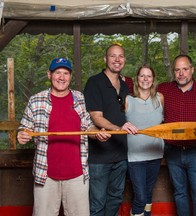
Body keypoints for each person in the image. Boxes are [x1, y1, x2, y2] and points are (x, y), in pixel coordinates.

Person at [17, 57, 111, 216]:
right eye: (57, 72)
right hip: (45, 175)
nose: (62, 77)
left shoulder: (79, 98)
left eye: (66, 73)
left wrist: (97, 133)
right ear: (49, 75)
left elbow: (88, 126)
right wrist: (22, 134)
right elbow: (24, 128)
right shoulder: (36, 100)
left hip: (77, 175)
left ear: (70, 76)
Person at [84, 44, 137, 216]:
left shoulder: (125, 85)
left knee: (115, 198)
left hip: (121, 155)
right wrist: (118, 129)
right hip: (100, 157)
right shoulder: (94, 82)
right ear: (105, 59)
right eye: (113, 56)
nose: (117, 59)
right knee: (97, 202)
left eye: (120, 56)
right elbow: (96, 116)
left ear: (124, 60)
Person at [158, 54, 196, 216]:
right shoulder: (163, 90)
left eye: (185, 69)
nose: (181, 73)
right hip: (172, 151)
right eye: (177, 70)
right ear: (173, 72)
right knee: (180, 194)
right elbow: (144, 100)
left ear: (192, 70)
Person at [124, 65, 164, 216]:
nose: (145, 79)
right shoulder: (128, 100)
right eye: (142, 76)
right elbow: (120, 123)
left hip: (155, 153)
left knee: (147, 194)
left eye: (149, 76)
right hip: (135, 156)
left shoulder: (160, 98)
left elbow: (163, 122)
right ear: (136, 79)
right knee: (139, 196)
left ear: (153, 79)